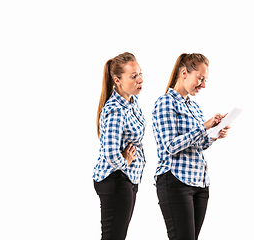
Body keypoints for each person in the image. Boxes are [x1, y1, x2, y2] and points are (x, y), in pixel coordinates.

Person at [152, 53, 231, 240]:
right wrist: (204, 126)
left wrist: (214, 135)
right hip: (175, 181)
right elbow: (170, 146)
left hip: (199, 182)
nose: (203, 85)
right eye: (200, 78)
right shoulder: (165, 103)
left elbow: (198, 144)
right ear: (184, 72)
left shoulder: (194, 107)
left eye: (205, 80)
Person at [93, 52, 146, 240]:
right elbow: (109, 153)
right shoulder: (116, 110)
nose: (140, 79)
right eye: (133, 76)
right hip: (115, 179)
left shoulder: (132, 101)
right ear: (117, 80)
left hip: (126, 178)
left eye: (140, 74)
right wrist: (125, 162)